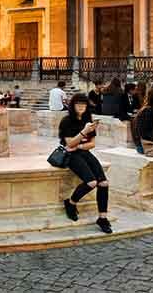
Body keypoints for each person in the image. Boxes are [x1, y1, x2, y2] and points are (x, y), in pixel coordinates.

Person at [59, 93, 112, 234]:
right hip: (70, 156)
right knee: (91, 182)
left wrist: (80, 146)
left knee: (104, 183)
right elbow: (69, 143)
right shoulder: (66, 121)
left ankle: (102, 218)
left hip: (83, 152)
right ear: (73, 106)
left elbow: (92, 144)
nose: (81, 106)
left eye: (84, 104)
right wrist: (84, 132)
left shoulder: (88, 120)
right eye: (78, 104)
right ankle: (71, 203)